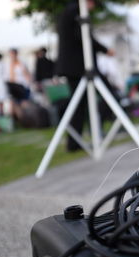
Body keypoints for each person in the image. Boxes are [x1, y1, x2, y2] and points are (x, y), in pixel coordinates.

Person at [55, 0, 114, 152]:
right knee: (105, 97)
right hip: (77, 68)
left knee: (80, 106)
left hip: (76, 67)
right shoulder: (76, 10)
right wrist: (104, 49)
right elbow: (82, 37)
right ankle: (78, 141)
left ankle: (76, 143)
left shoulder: (71, 10)